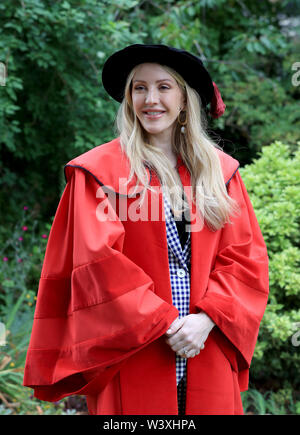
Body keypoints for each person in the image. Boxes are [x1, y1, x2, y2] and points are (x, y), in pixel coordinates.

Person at [23, 44, 269, 415]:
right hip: (135, 350)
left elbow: (245, 259)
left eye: (164, 87)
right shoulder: (99, 173)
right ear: (128, 98)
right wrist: (166, 322)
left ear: (185, 100)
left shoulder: (220, 172)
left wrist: (207, 318)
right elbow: (97, 264)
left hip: (206, 344)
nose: (150, 99)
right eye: (139, 88)